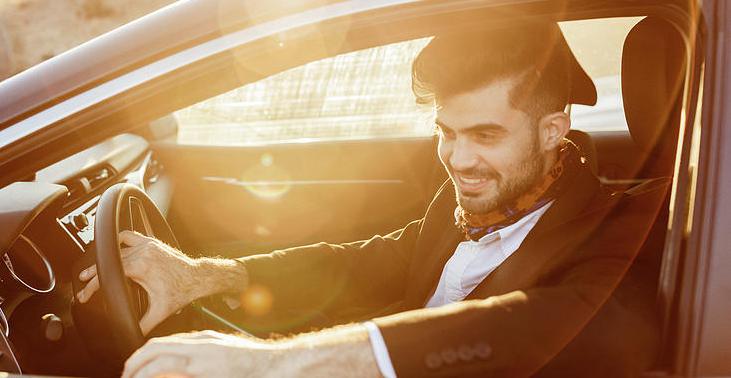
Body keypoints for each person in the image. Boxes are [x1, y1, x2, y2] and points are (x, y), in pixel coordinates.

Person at [77, 20, 664, 378]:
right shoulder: (465, 204)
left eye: (486, 135)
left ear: (554, 131)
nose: (459, 161)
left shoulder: (630, 223)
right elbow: (365, 264)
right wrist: (202, 275)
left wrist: (281, 366)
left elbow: (550, 328)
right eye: (446, 132)